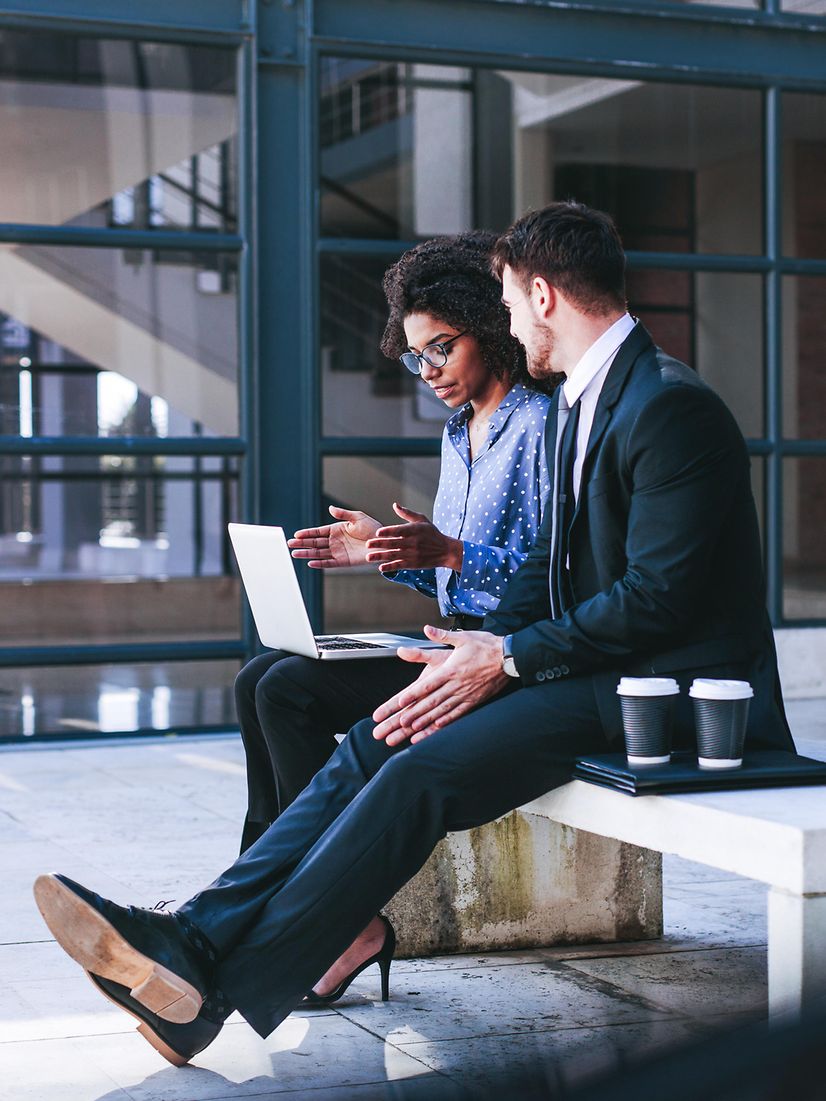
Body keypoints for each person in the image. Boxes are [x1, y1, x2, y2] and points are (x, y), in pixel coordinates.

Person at [34, 201, 793, 1070]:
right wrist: (468, 636)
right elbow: (553, 570)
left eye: (505, 302)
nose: (503, 320)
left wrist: (503, 654)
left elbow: (657, 599)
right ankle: (193, 943)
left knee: (415, 768)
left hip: (663, 696)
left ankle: (207, 983)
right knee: (376, 736)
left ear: (541, 294)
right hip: (581, 664)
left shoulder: (666, 407)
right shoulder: (593, 401)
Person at [235, 231, 552, 852]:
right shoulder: (458, 433)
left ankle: (304, 875)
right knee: (257, 677)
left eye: (441, 348)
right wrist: (383, 549)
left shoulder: (539, 428)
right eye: (415, 357)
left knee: (286, 691)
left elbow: (555, 575)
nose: (428, 371)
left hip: (501, 659)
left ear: (490, 326)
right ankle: (256, 865)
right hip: (447, 639)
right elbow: (443, 561)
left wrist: (450, 552)